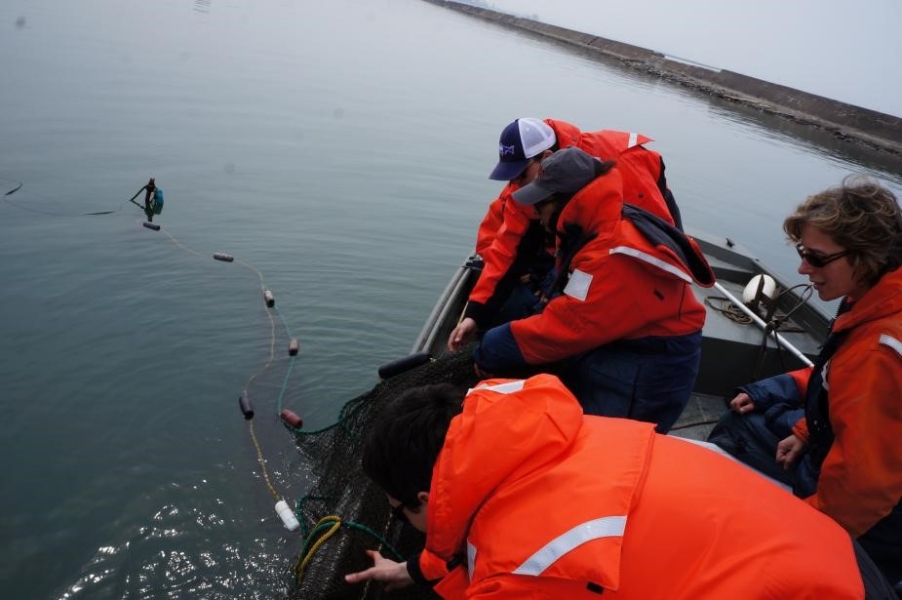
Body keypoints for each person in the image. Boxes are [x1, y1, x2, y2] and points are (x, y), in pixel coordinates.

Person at [344, 374, 893, 598]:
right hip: (833, 558)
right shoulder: (563, 438)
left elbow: (517, 557)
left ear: (423, 497)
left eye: (399, 516)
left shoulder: (519, 571)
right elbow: (476, 521)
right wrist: (413, 569)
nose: (406, 526)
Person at [708, 176, 902, 588]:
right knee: (744, 421)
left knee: (736, 435)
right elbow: (839, 380)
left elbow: (862, 489)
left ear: (865, 257)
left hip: (874, 524)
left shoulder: (881, 350)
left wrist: (798, 539)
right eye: (801, 253)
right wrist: (804, 429)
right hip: (835, 450)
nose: (801, 268)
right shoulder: (873, 297)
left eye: (815, 257)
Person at [471, 147, 714, 432]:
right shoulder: (599, 223)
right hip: (626, 338)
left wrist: (494, 346)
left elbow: (568, 326)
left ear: (566, 202)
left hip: (652, 363)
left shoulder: (610, 255)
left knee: (598, 442)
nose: (534, 213)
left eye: (540, 205)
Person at [449, 117, 683, 351]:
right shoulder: (523, 190)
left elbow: (651, 242)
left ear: (547, 157)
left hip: (642, 211)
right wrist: (475, 313)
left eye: (520, 174)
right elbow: (506, 252)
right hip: (580, 235)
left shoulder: (622, 167)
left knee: (634, 286)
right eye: (511, 176)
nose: (515, 184)